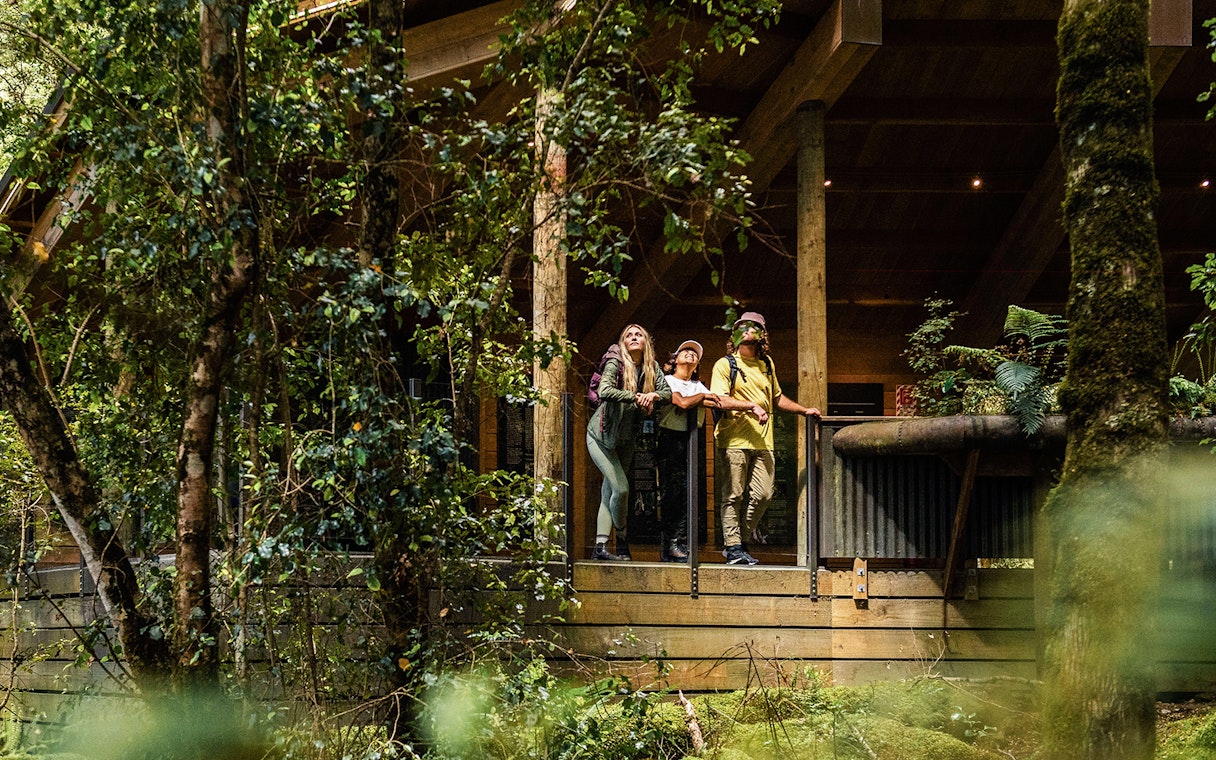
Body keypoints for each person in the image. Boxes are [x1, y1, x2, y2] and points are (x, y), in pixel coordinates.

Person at [710, 311, 820, 565]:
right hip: (734, 440)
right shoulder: (725, 364)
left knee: (764, 495)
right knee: (733, 495)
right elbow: (719, 399)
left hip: (763, 441)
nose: (748, 330)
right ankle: (734, 547)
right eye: (743, 326)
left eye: (754, 326)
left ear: (762, 334)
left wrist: (804, 410)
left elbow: (777, 398)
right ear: (735, 333)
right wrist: (751, 406)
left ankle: (738, 542)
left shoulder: (767, 364)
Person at [657, 339, 766, 562]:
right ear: (675, 359)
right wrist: (701, 398)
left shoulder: (698, 386)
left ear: (697, 364)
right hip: (670, 439)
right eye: (685, 351)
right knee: (672, 492)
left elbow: (719, 401)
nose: (690, 354)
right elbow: (681, 402)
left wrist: (750, 405)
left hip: (692, 438)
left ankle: (681, 543)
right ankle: (669, 544)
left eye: (695, 354)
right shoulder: (667, 381)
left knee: (689, 492)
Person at [586, 324, 671, 561]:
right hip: (600, 436)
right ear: (623, 342)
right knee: (621, 488)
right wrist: (636, 397)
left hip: (626, 439)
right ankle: (622, 539)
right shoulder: (616, 361)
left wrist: (653, 395)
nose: (633, 338)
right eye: (629, 335)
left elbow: (668, 393)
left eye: (638, 335)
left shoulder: (652, 367)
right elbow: (605, 390)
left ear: (646, 342)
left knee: (609, 492)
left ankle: (600, 547)